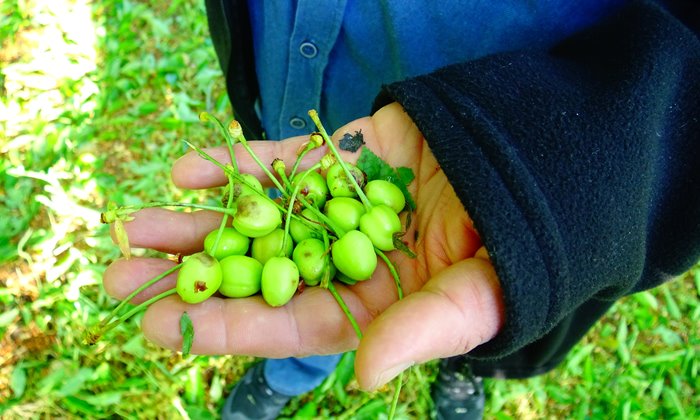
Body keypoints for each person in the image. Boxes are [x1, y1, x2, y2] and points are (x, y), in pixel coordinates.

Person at [102, 0, 700, 419]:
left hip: (520, 115)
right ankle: (294, 372)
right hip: (320, 95)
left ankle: (464, 369)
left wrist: (565, 154)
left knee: (494, 280)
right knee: (329, 289)